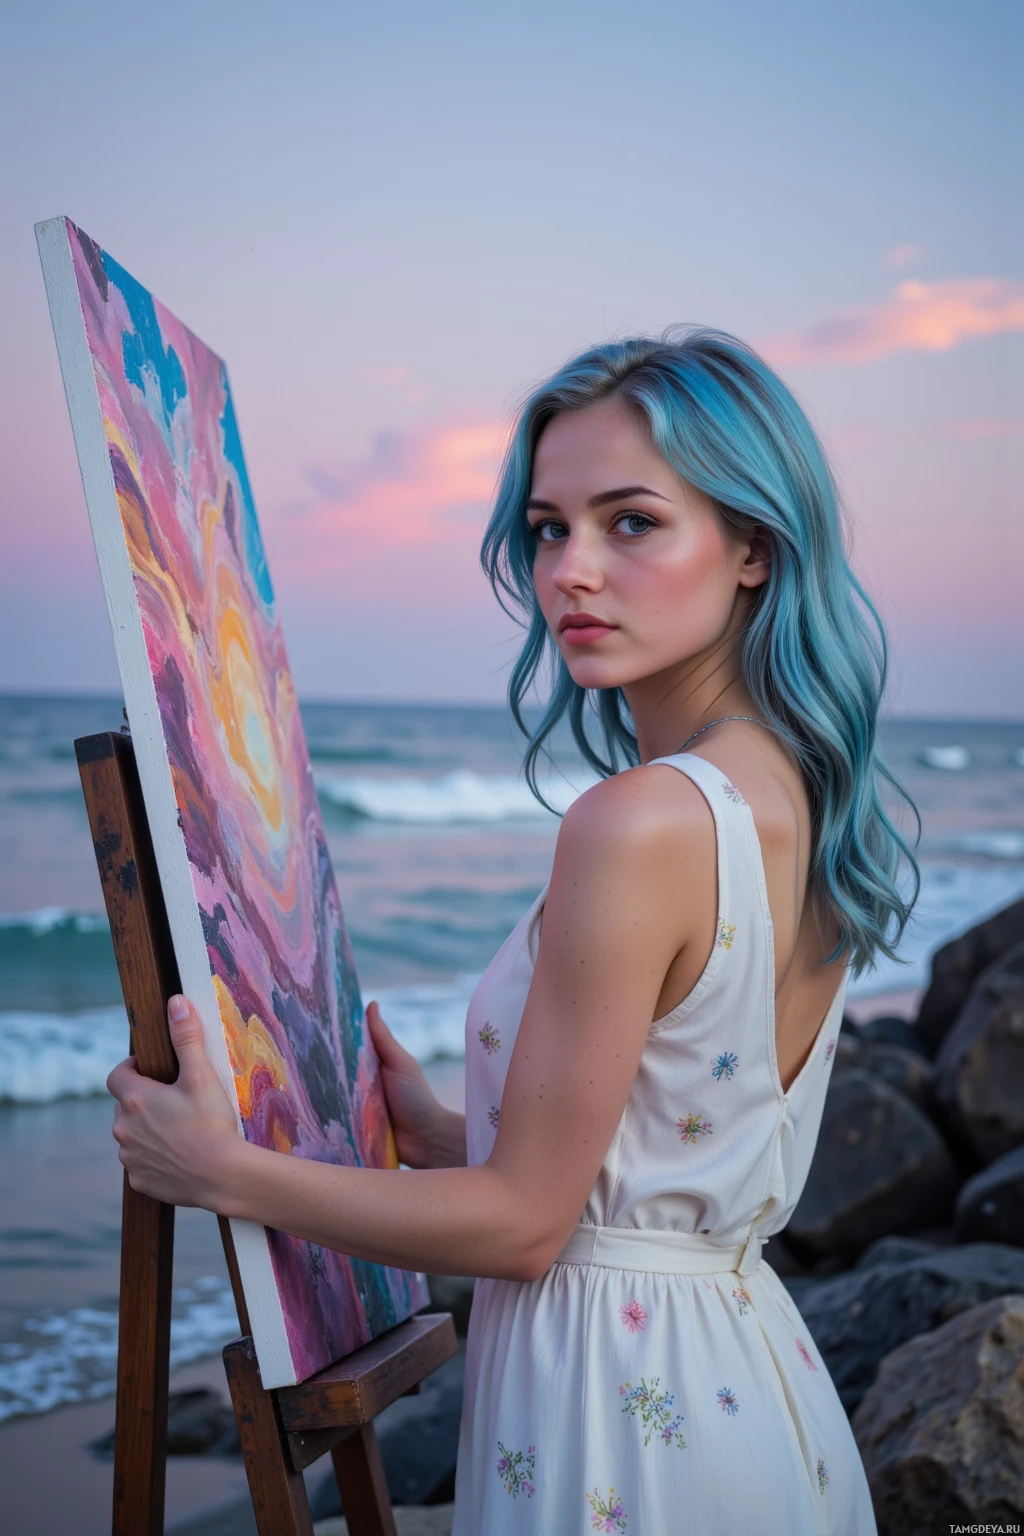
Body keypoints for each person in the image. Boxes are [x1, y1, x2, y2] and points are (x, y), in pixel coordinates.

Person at [107, 329, 917, 1534]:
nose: (571, 570)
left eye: (631, 522)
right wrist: (442, 1134)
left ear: (753, 547)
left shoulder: (640, 821)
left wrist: (220, 1171)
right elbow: (678, 1132)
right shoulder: (793, 795)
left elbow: (526, 1228)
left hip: (619, 1424)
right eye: (548, 527)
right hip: (743, 1394)